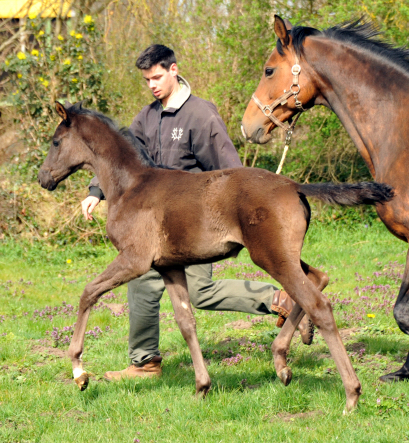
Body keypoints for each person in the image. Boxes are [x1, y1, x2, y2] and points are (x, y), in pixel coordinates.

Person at [81, 44, 303, 380]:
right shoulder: (146, 117)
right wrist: (96, 191)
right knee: (139, 281)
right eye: (146, 80)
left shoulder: (200, 115)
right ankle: (144, 364)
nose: (152, 84)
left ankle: (279, 299)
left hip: (195, 222)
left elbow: (230, 170)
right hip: (153, 222)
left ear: (173, 70)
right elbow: (121, 160)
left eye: (157, 76)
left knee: (200, 292)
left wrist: (241, 213)